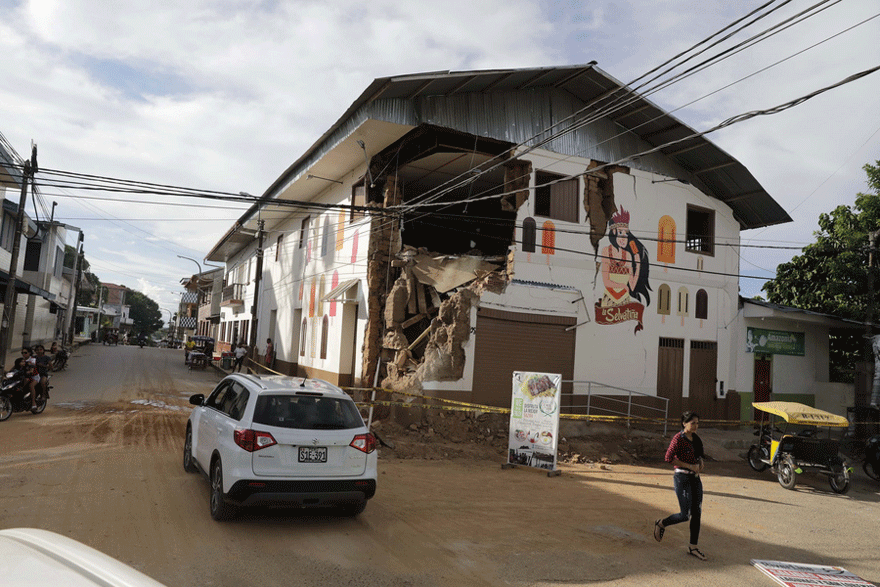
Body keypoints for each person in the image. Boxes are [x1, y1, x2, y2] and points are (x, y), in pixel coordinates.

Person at [653, 411, 706, 561]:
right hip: (682, 478)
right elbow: (668, 458)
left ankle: (693, 547)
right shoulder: (678, 439)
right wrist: (689, 465)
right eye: (692, 423)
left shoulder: (696, 439)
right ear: (684, 423)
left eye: (697, 423)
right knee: (685, 515)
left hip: (695, 478)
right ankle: (662, 523)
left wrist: (700, 464)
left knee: (697, 513)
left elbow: (700, 455)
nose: (696, 426)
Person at [20, 347, 41, 413]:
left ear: (29, 353)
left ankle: (33, 403)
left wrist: (30, 371)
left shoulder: (32, 360)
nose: (23, 354)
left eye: (25, 353)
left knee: (31, 386)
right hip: (25, 376)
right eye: (22, 353)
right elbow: (16, 366)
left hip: (34, 377)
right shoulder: (22, 360)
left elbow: (32, 368)